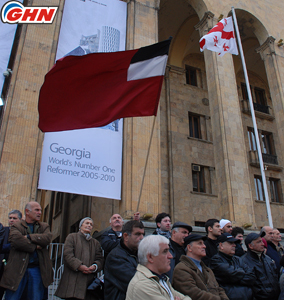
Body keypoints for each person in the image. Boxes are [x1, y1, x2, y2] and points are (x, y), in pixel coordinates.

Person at [0, 201, 53, 300]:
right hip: (16, 270)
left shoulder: (44, 226)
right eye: (37, 210)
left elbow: (47, 238)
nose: (40, 213)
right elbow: (16, 241)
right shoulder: (16, 226)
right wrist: (35, 246)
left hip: (37, 269)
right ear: (27, 212)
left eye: (40, 210)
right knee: (13, 297)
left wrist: (28, 237)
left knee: (36, 297)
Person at [126, 235, 191, 300]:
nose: (170, 256)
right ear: (150, 257)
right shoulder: (143, 284)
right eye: (165, 251)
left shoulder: (161, 279)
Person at [55, 217, 104, 300]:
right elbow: (68, 255)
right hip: (72, 283)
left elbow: (100, 259)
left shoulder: (95, 243)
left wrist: (95, 266)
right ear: (81, 226)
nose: (89, 225)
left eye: (91, 224)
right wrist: (79, 266)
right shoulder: (72, 237)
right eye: (87, 223)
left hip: (89, 284)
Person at [172, 234, 228, 300]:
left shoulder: (207, 270)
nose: (204, 246)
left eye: (203, 244)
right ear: (189, 248)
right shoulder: (181, 269)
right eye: (200, 244)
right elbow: (194, 294)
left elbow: (219, 289)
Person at [104, 220, 145, 300]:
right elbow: (137, 283)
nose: (142, 238)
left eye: (143, 234)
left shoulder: (139, 255)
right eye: (137, 234)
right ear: (126, 236)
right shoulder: (115, 257)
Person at [210, 233, 256, 300]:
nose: (234, 245)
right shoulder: (216, 260)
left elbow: (252, 276)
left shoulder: (237, 259)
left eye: (234, 243)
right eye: (230, 243)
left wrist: (237, 277)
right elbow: (230, 274)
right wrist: (243, 274)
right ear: (221, 245)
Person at [241, 232, 280, 300]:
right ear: (250, 246)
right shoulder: (243, 262)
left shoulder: (267, 259)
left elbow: (275, 276)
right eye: (259, 242)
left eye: (262, 241)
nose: (263, 244)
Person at [0, 209, 22, 299]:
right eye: (10, 218)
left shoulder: (22, 233)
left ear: (20, 220)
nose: (11, 220)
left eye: (14, 218)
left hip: (14, 270)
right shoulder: (3, 231)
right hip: (1, 269)